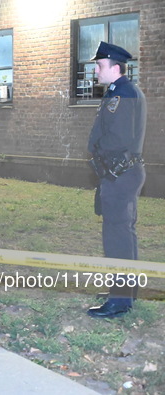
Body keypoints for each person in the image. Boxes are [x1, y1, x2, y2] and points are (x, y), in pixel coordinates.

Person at [86, 41, 146, 318]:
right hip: (122, 173)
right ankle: (124, 290)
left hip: (119, 174)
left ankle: (120, 300)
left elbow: (118, 139)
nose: (96, 71)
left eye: (99, 66)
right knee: (123, 234)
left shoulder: (123, 94)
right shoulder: (120, 91)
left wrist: (97, 152)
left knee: (117, 237)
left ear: (115, 67)